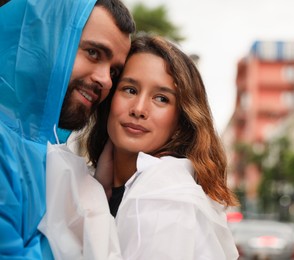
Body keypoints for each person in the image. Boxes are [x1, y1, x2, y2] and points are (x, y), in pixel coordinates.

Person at [84, 34, 239, 259]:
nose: (139, 108)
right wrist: (98, 196)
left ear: (181, 122)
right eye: (130, 89)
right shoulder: (92, 184)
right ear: (110, 98)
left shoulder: (167, 197)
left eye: (161, 98)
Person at [0, 0, 135, 258]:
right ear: (44, 39)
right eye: (94, 53)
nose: (106, 81)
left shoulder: (44, 149)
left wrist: (93, 190)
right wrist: (86, 205)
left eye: (114, 71)